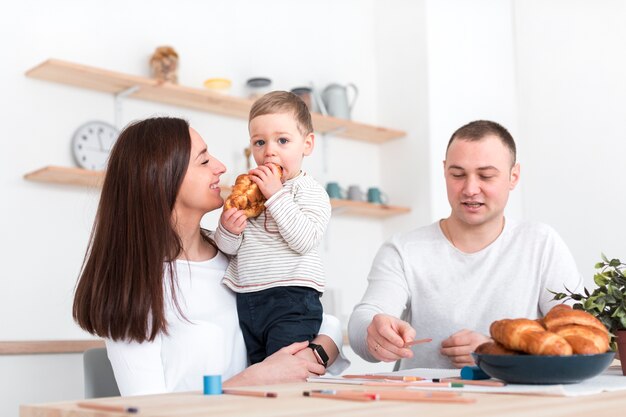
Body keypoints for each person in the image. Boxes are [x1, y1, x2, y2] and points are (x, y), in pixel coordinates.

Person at [72, 117, 347, 396]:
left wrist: (310, 357)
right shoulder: (134, 285)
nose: (221, 167)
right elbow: (147, 408)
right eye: (203, 161)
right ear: (162, 178)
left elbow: (326, 324)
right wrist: (254, 379)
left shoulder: (236, 255)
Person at [348, 120, 582, 369]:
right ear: (445, 171)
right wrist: (374, 333)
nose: (470, 189)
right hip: (425, 403)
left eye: (486, 176)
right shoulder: (404, 249)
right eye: (457, 175)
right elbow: (363, 321)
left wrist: (496, 351)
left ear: (513, 177)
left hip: (516, 403)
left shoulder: (541, 243)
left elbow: (575, 335)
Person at [213, 91, 331, 365]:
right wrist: (228, 229)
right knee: (259, 375)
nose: (269, 151)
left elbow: (304, 240)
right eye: (259, 142)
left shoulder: (309, 191)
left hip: (291, 299)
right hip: (248, 298)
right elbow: (229, 250)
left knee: (284, 372)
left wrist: (276, 195)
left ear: (307, 144)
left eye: (282, 140)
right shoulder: (251, 191)